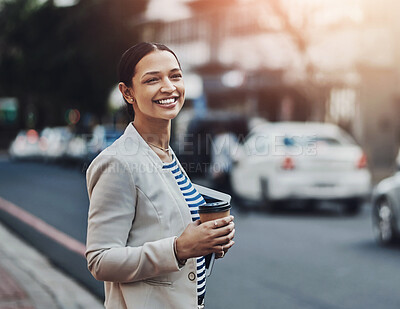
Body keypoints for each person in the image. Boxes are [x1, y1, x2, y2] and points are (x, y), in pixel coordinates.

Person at [85, 42, 235, 309]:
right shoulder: (117, 162)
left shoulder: (166, 155)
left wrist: (208, 241)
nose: (168, 87)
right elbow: (100, 261)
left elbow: (172, 233)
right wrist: (178, 249)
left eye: (175, 75)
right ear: (128, 92)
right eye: (153, 79)